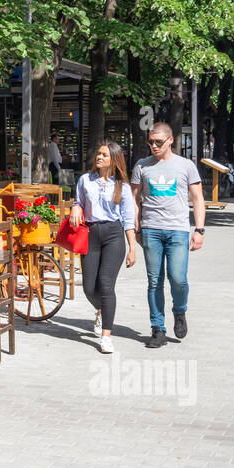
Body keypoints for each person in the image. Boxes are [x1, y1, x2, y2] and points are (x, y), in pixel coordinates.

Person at [130, 122, 205, 349]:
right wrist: (137, 228)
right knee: (154, 281)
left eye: (158, 142)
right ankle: (157, 329)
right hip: (151, 230)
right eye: (150, 142)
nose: (153, 146)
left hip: (178, 230)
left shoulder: (185, 166)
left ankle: (179, 311)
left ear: (170, 140)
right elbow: (134, 200)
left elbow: (198, 198)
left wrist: (199, 230)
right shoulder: (142, 166)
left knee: (178, 279)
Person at [68, 141, 138, 355]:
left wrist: (132, 248)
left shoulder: (123, 187)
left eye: (104, 155)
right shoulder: (85, 180)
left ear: (114, 160)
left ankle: (106, 336)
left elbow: (128, 219)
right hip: (90, 234)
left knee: (106, 285)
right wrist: (75, 208)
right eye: (98, 153)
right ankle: (101, 309)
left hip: (113, 235)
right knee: (89, 287)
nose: (99, 157)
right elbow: (78, 201)